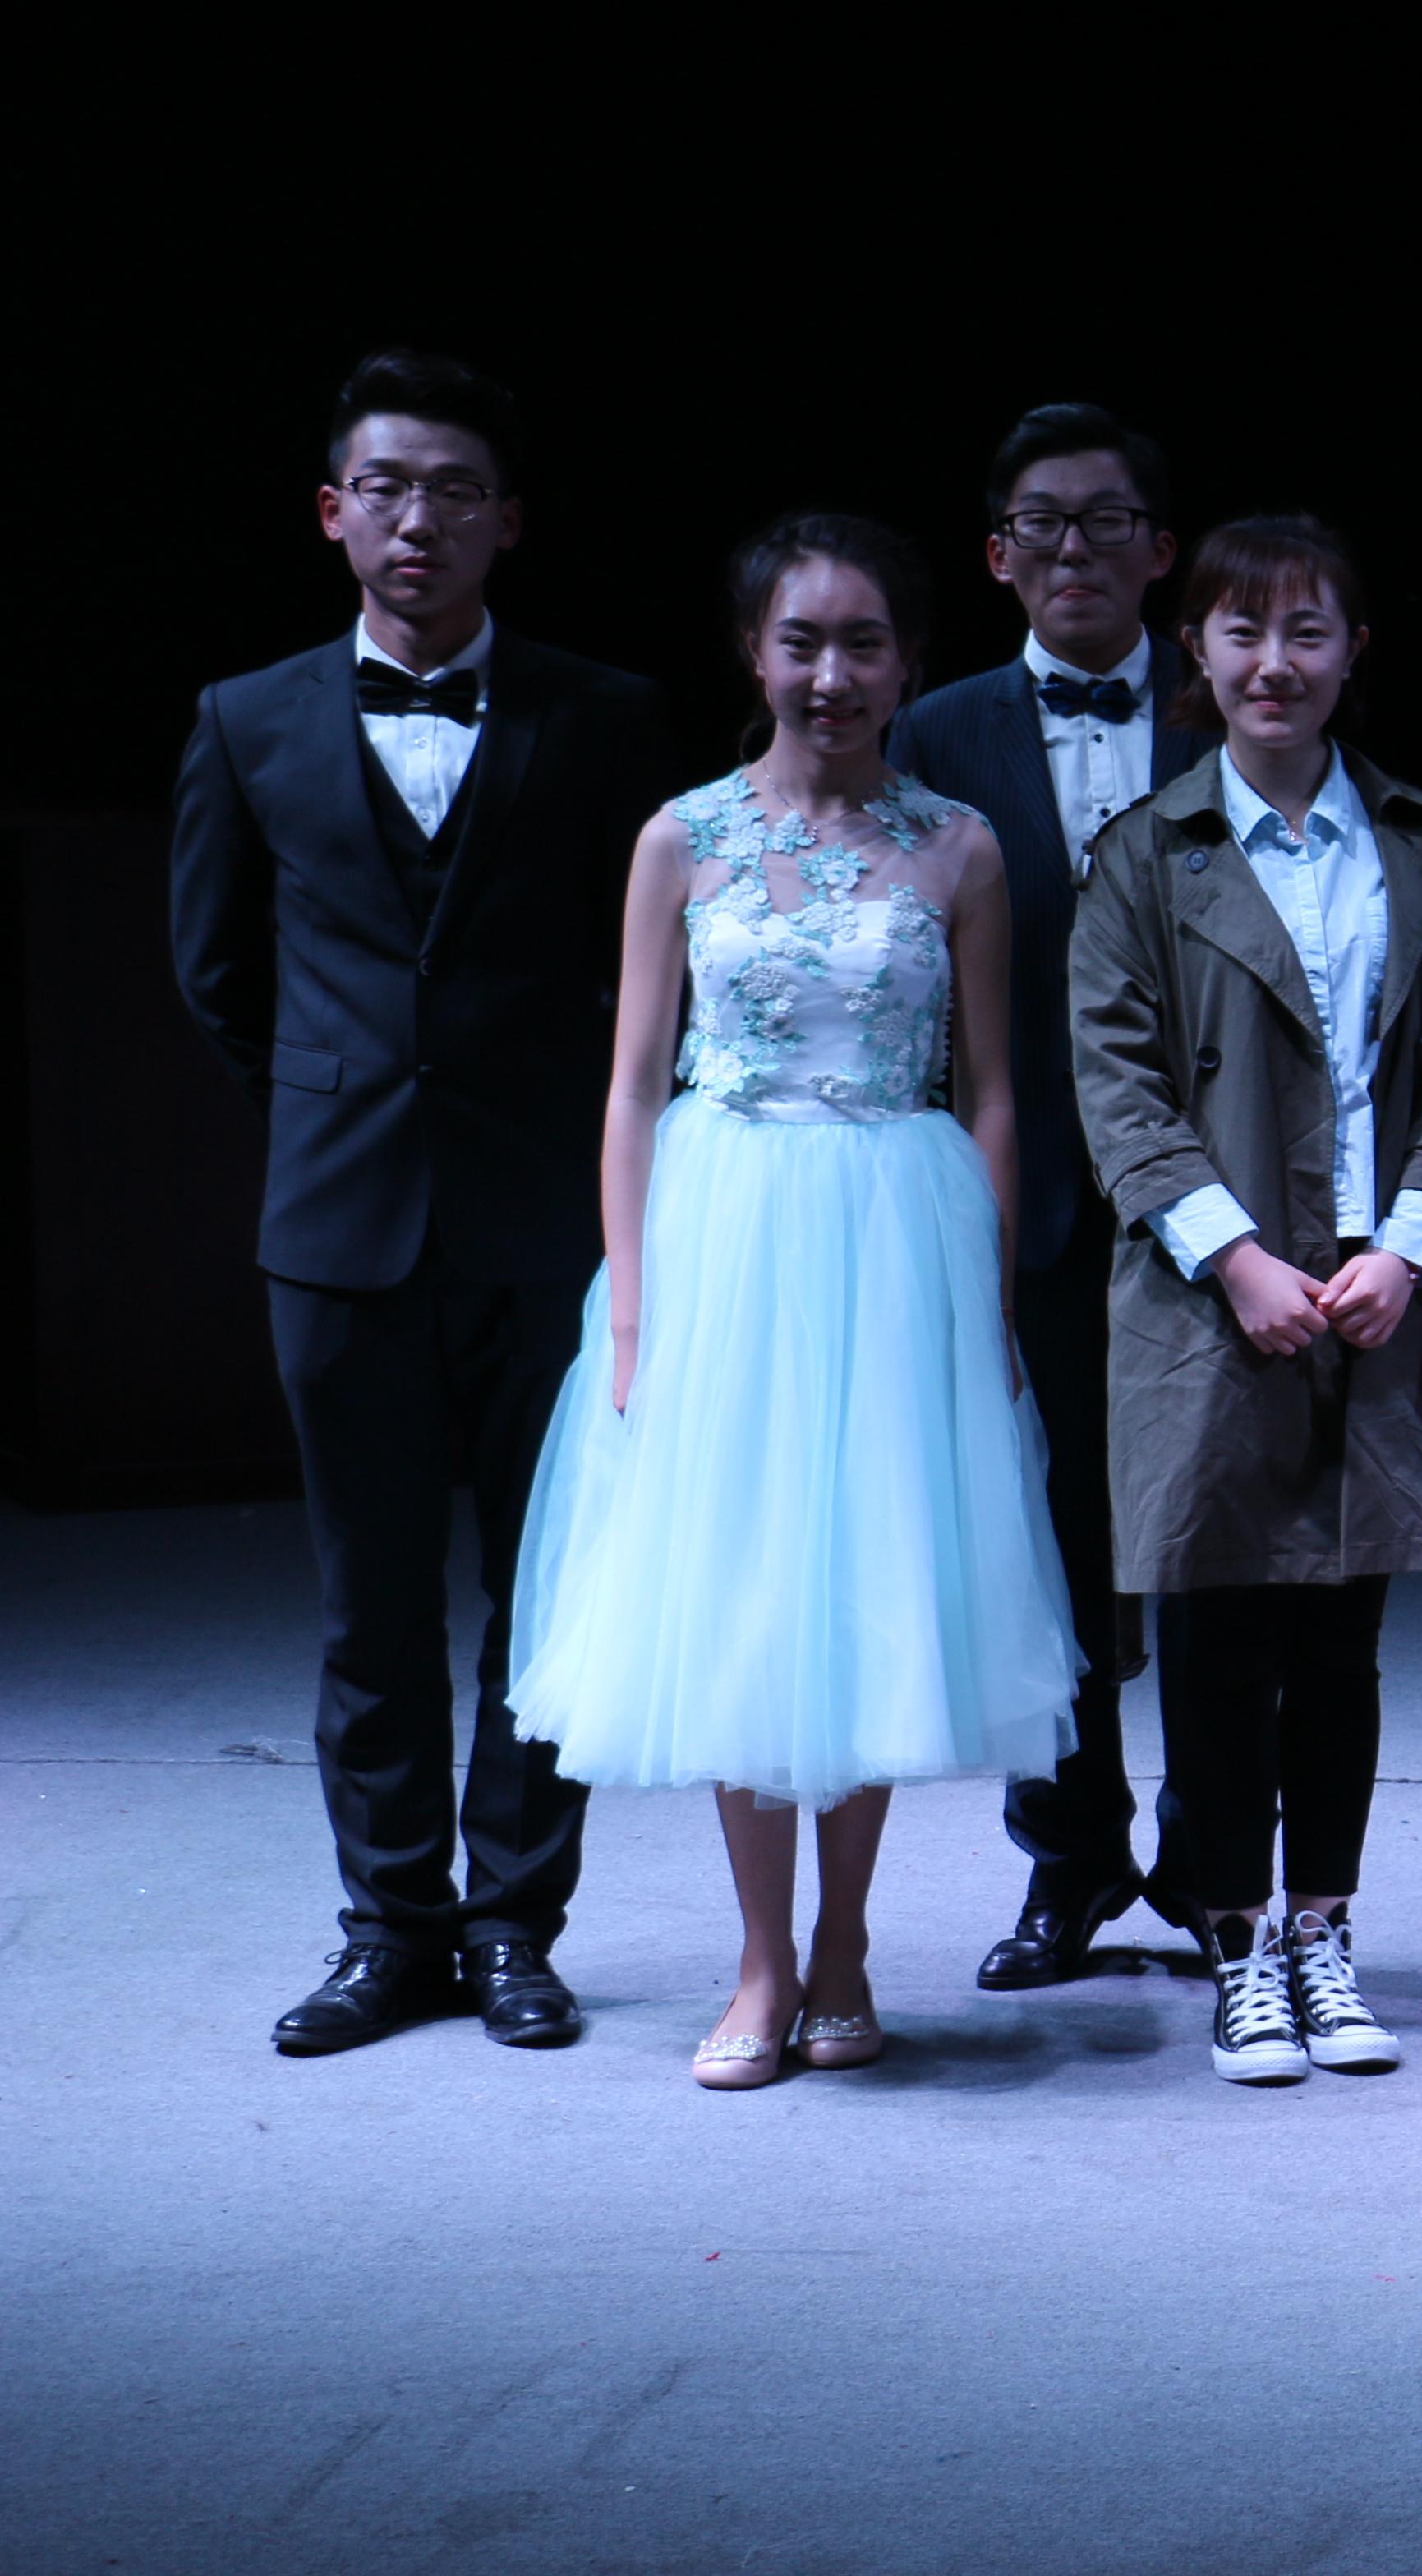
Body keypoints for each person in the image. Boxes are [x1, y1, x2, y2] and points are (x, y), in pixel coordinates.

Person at [507, 516, 1083, 2085]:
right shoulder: (680, 837)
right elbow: (631, 1086)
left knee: (869, 1582)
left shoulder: (960, 845)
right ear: (754, 654)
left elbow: (992, 1091)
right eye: (802, 641)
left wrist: (988, 1293)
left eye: (864, 643)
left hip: (895, 1236)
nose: (832, 673)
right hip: (726, 1237)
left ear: (909, 661)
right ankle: (764, 1957)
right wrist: (636, 1309)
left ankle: (847, 1943)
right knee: (745, 1591)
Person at [172, 350, 671, 2057]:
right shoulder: (246, 717)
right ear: (333, 512)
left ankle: (517, 1927)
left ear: (507, 522)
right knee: (369, 1607)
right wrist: (340, 1104)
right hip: (340, 1228)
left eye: (456, 491)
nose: (419, 519)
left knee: (547, 1594)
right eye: (386, 487)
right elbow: (218, 974)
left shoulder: (603, 716)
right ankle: (390, 1931)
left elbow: (643, 971)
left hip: (544, 1224)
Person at [1073, 518, 1422, 2087]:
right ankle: (1237, 1939)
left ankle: (1325, 1930)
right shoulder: (1147, 849)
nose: (1274, 662)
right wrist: (1237, 1257)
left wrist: (1413, 1241)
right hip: (1211, 1294)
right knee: (1214, 1639)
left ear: (1352, 651)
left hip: (1380, 1286)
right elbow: (1116, 1081)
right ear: (1195, 650)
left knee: (1340, 1642)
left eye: (1306, 630)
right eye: (1242, 631)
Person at [890, 403, 1217, 1992]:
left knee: (1213, 1537)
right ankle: (1070, 1856)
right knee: (1047, 1541)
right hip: (1019, 1200)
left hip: (1215, 1201)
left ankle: (1218, 1866)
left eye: (1105, 519)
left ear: (1162, 549)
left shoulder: (1236, 706)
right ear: (997, 553)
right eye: (1043, 522)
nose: (1073, 548)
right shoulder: (933, 732)